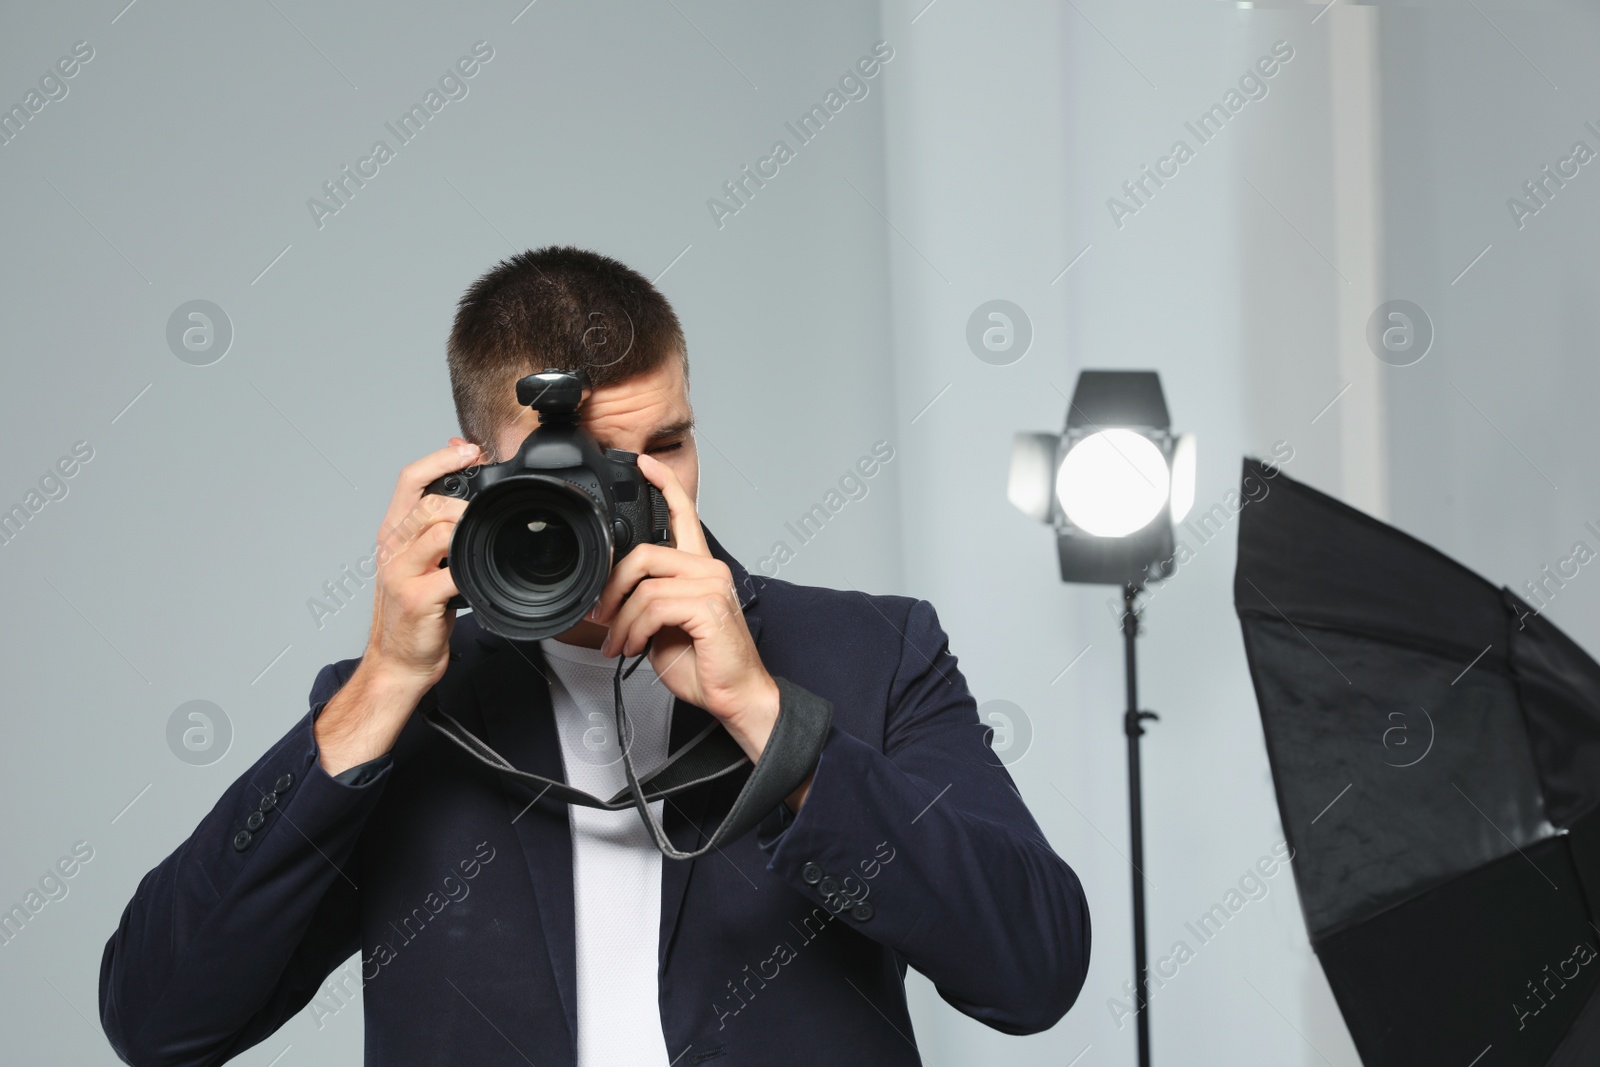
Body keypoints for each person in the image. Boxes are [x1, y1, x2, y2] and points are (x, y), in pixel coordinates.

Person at [98, 247, 1091, 1066]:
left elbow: (1033, 970)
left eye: (665, 446)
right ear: (472, 474)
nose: (632, 500)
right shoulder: (397, 711)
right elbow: (159, 1019)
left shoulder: (868, 652)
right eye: (577, 470)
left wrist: (764, 713)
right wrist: (382, 686)